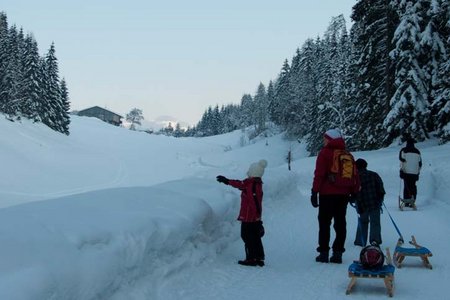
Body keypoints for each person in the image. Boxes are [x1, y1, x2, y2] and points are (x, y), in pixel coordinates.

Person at [311, 129, 360, 264]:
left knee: (324, 223)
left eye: (325, 138)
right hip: (343, 194)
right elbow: (355, 175)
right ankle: (337, 253)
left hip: (327, 194)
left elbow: (319, 174)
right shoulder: (347, 154)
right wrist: (354, 192)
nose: (324, 140)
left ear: (330, 139)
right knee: (340, 223)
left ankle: (324, 253)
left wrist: (314, 192)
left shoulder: (325, 153)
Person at [216, 159, 267, 267]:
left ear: (253, 172)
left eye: (249, 170)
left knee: (247, 237)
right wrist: (227, 181)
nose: (247, 172)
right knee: (254, 237)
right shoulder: (251, 183)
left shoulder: (252, 185)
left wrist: (257, 218)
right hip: (251, 217)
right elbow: (240, 184)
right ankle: (258, 257)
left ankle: (251, 259)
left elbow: (255, 203)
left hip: (250, 218)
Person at [353, 158, 385, 247]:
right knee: (375, 222)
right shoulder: (374, 175)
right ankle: (375, 240)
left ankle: (360, 241)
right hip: (374, 203)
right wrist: (380, 199)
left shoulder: (355, 177)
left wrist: (352, 200)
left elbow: (352, 191)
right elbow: (381, 189)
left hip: (361, 204)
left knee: (362, 222)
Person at [399, 138, 422, 203]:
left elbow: (401, 159)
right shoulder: (417, 151)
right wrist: (418, 172)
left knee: (406, 187)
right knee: (413, 186)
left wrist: (401, 170)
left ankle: (406, 201)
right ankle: (413, 199)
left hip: (406, 172)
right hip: (414, 173)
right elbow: (420, 163)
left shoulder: (403, 150)